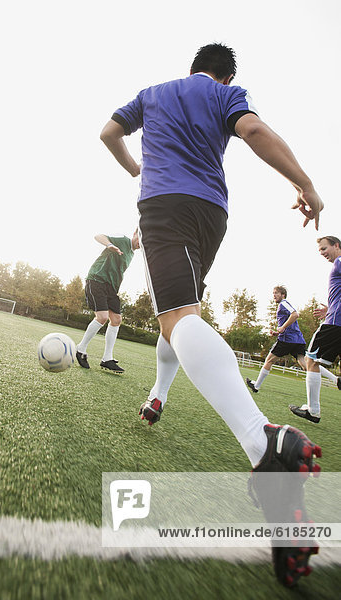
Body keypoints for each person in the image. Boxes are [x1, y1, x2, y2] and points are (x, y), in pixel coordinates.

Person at [100, 43, 323, 586]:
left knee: (176, 317)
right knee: (179, 317)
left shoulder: (154, 93)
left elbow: (108, 132)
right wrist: (303, 183)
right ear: (226, 75)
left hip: (164, 204)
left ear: (195, 67)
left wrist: (137, 168)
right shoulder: (225, 94)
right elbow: (251, 131)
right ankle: (160, 392)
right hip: (212, 212)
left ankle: (263, 442)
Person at [246, 286, 339, 393]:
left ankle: (256, 386)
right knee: (307, 365)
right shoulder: (283, 305)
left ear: (283, 295)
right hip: (297, 340)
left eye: (276, 293)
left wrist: (283, 328)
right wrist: (278, 331)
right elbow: (290, 322)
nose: (274, 295)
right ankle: (336, 380)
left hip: (287, 340)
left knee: (269, 360)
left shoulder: (283, 303)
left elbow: (295, 314)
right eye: (273, 293)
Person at [290, 236, 341, 423]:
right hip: (335, 317)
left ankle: (313, 411)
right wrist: (331, 308)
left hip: (334, 323)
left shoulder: (339, 262)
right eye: (320, 250)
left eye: (324, 248)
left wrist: (334, 312)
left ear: (336, 245)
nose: (322, 253)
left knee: (311, 359)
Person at [75, 231, 139, 373]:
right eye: (142, 238)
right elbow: (98, 236)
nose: (143, 243)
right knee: (102, 317)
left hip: (111, 288)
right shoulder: (123, 241)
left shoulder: (132, 253)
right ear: (136, 233)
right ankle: (80, 349)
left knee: (116, 320)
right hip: (97, 280)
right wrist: (110, 245)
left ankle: (107, 359)